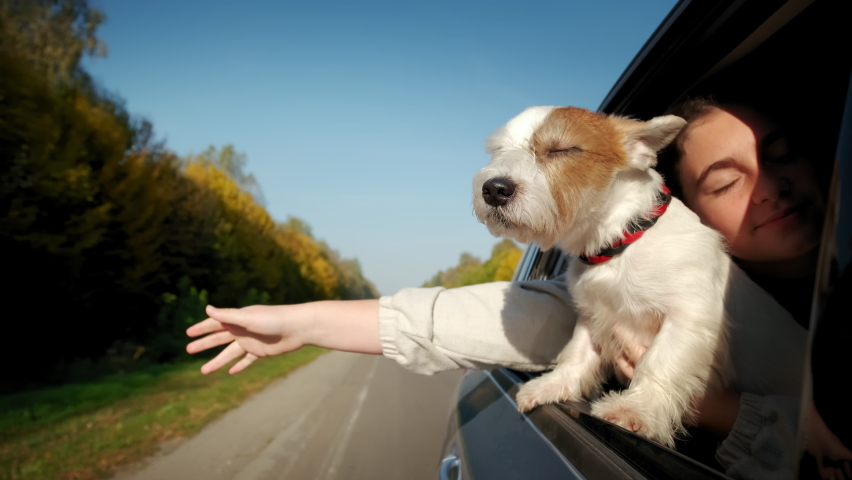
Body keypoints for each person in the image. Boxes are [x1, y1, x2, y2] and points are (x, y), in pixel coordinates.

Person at [186, 99, 850, 480]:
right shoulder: (587, 265)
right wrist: (305, 322)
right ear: (699, 203)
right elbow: (516, 319)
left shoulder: (674, 245)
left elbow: (689, 317)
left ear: (638, 155)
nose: (771, 186)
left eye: (558, 152)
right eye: (728, 181)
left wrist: (655, 400)